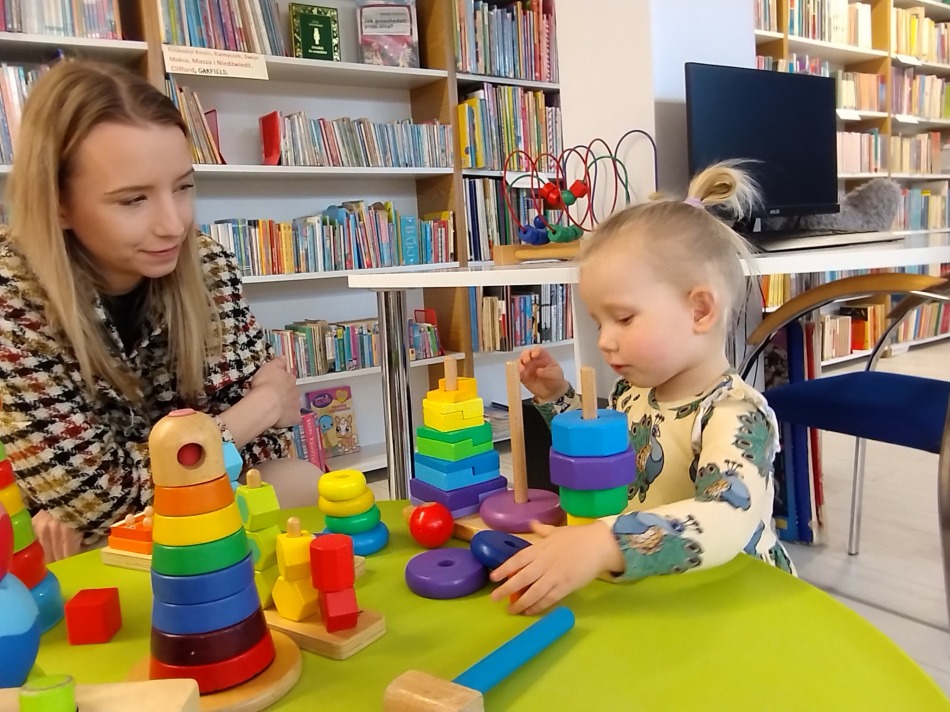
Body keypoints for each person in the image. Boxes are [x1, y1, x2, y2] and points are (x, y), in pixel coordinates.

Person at [0, 60, 302, 562]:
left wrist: (112, 497)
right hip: (75, 542)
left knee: (298, 482)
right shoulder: (12, 296)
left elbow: (271, 448)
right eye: (132, 200)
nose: (174, 225)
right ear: (58, 203)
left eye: (182, 187)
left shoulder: (208, 266)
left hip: (194, 510)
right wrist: (260, 407)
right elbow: (100, 500)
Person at [492, 162, 795, 615]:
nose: (604, 340)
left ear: (700, 311)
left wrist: (602, 543)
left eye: (624, 318)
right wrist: (558, 399)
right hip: (658, 596)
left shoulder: (735, 413)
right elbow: (603, 456)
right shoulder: (631, 394)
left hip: (737, 602)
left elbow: (727, 515)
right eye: (599, 323)